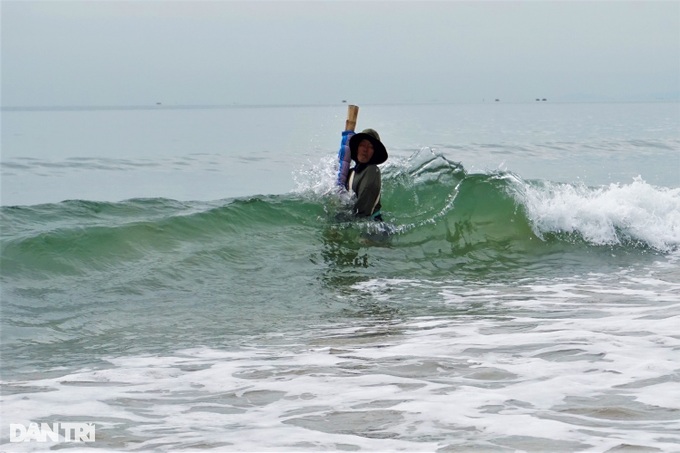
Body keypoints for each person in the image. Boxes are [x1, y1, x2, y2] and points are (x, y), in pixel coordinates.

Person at [345, 128, 388, 221]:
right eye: (362, 145)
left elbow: (362, 214)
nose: (365, 149)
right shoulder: (350, 172)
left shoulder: (372, 171)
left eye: (371, 147)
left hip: (371, 230)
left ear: (374, 153)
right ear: (356, 149)